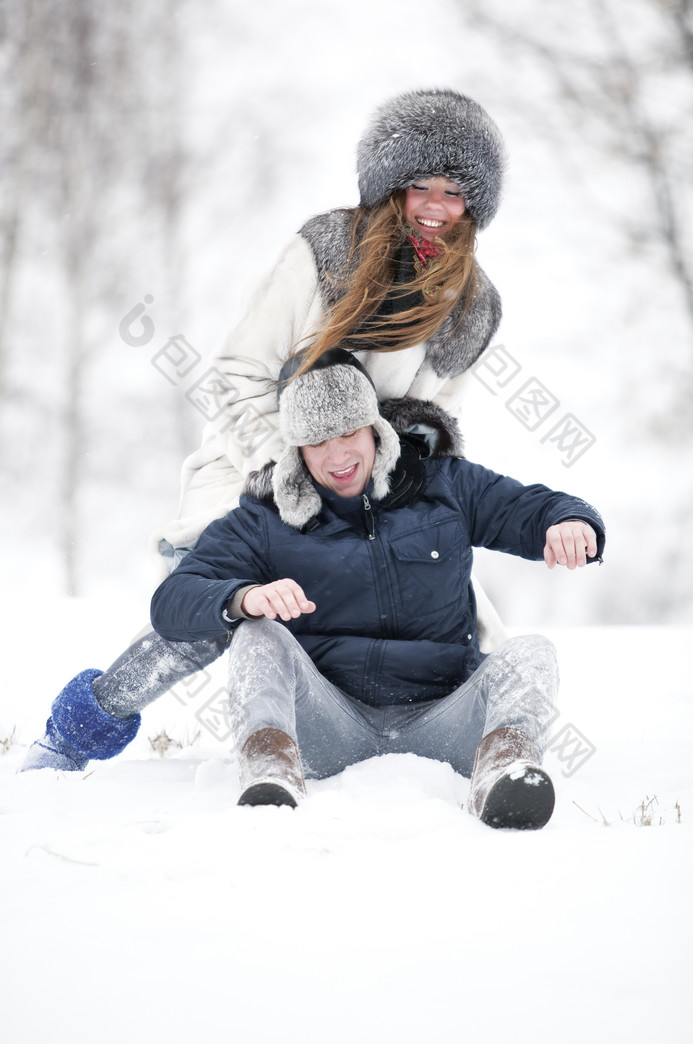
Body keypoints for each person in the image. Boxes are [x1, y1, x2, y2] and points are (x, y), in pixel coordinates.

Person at [21, 88, 511, 772]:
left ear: (475, 203)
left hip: (370, 490)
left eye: (454, 190)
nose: (434, 204)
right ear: (388, 187)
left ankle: (449, 745)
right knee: (208, 619)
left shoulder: (474, 308)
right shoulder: (326, 251)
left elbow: (438, 424)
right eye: (417, 184)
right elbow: (235, 373)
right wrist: (282, 472)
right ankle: (76, 732)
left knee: (448, 620)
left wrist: (396, 482)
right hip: (257, 467)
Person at [146, 350, 605, 828]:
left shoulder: (445, 487)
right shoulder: (265, 519)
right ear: (297, 449)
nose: (338, 456)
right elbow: (171, 602)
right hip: (325, 727)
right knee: (256, 635)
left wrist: (568, 521)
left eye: (348, 433)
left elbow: (532, 508)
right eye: (317, 441)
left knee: (531, 651)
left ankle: (504, 772)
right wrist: (242, 598)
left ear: (374, 427)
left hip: (445, 718)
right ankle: (269, 777)